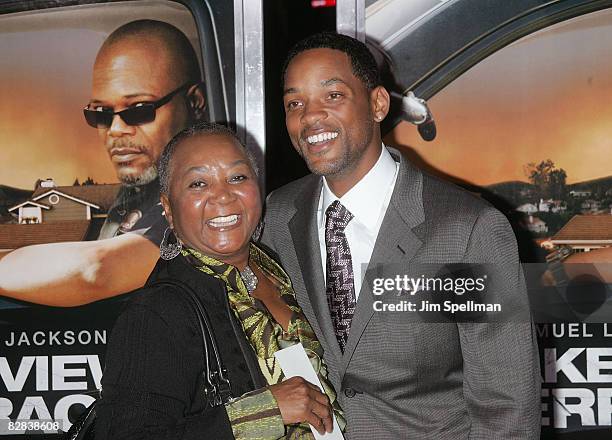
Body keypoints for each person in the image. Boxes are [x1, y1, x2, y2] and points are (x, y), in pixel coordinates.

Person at [260, 32, 541, 439]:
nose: (310, 117)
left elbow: (507, 407)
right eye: (294, 103)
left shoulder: (467, 230)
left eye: (332, 96)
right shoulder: (278, 216)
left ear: (377, 104)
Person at [96, 123, 345, 439]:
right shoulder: (157, 313)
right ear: (168, 208)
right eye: (198, 183)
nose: (223, 195)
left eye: (238, 177)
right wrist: (265, 411)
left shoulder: (284, 272)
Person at [0, 20, 205, 305]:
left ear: (195, 102)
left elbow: (96, 272)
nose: (115, 129)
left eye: (138, 110)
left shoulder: (204, 192)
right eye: (101, 114)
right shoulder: (142, 192)